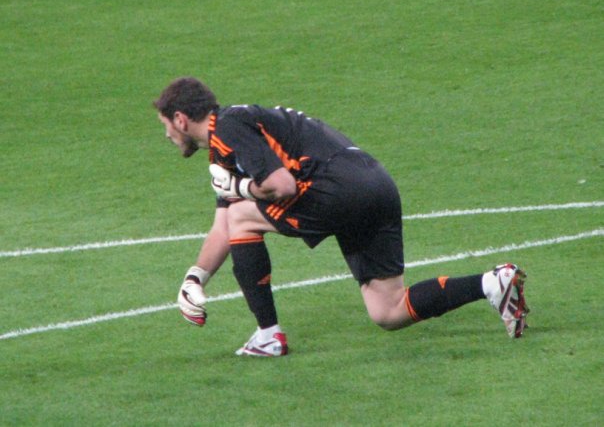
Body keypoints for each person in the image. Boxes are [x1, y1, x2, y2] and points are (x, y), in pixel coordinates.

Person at [153, 76, 530, 357]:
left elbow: (280, 187)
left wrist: (241, 188)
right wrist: (195, 278)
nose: (167, 135)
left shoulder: (228, 128)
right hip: (377, 184)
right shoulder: (231, 139)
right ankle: (492, 284)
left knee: (242, 214)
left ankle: (268, 335)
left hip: (336, 187)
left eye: (165, 125)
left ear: (181, 119)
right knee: (388, 311)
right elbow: (224, 224)